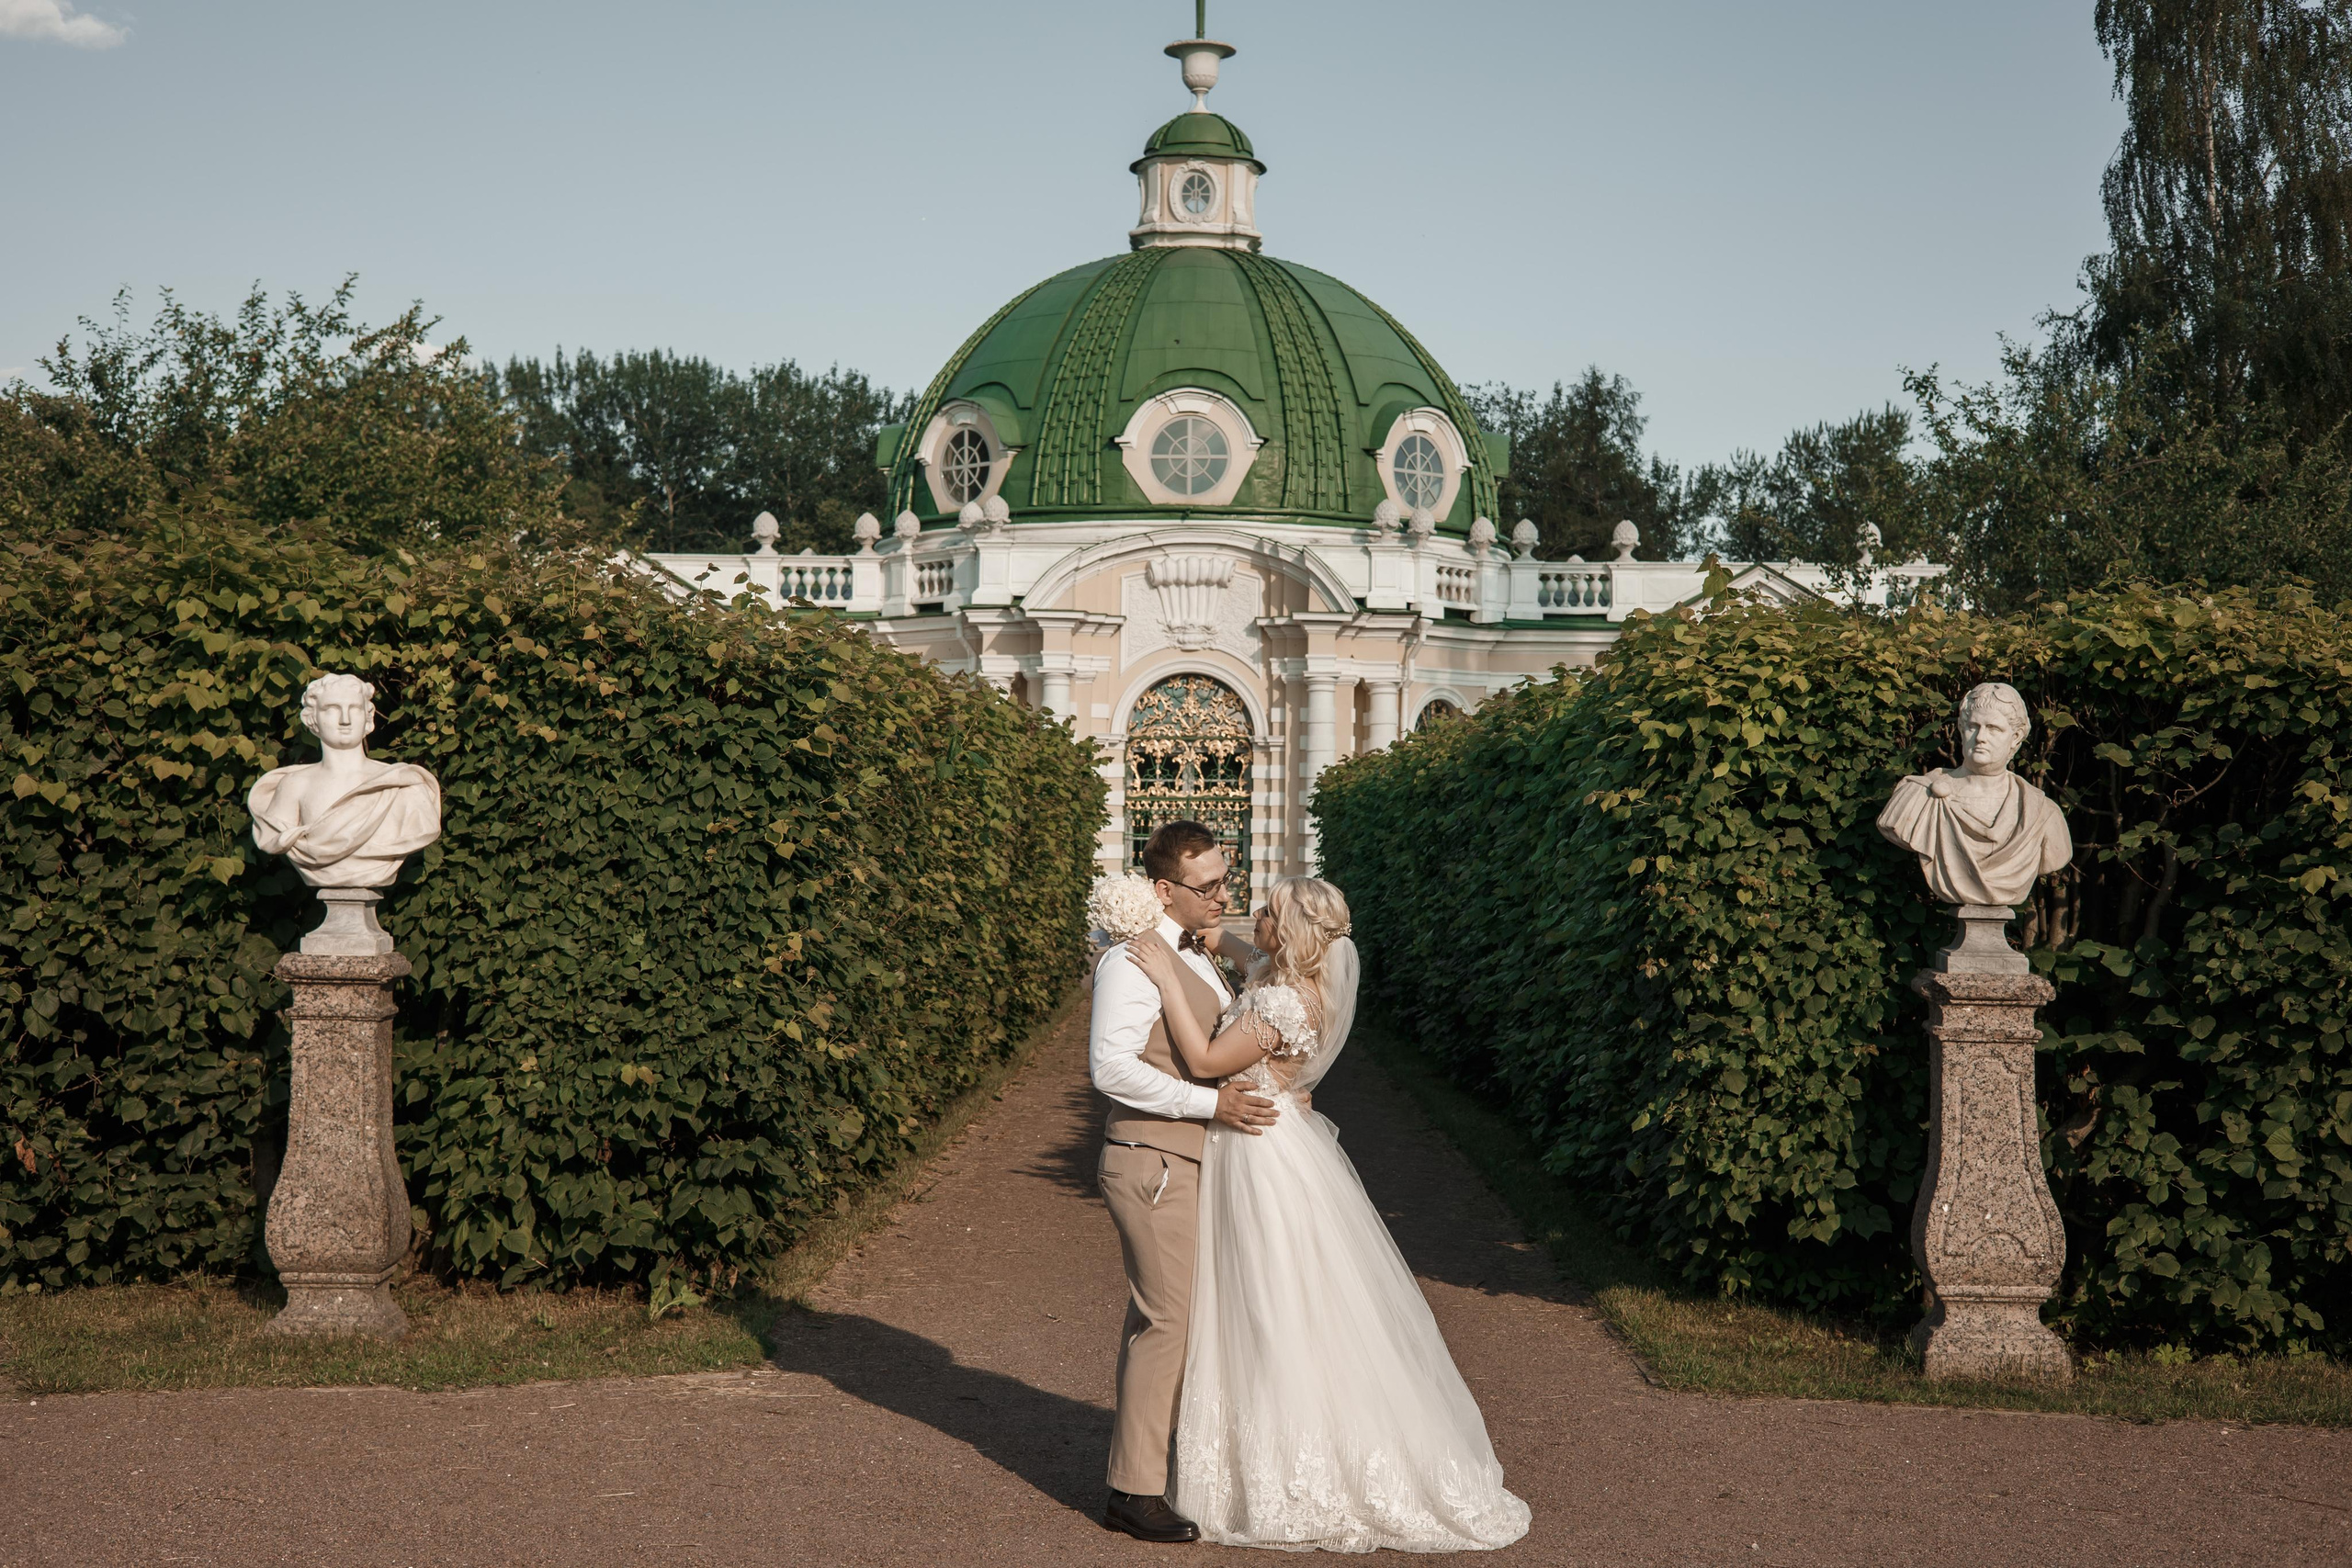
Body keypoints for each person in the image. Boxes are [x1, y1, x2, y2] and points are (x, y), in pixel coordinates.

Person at [1126, 876, 1531, 1552]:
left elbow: (1203, 1058)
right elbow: (1241, 958)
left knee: (1268, 1300)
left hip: (1257, 1158)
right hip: (1274, 1142)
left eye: (1265, 912)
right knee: (1289, 1299)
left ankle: (1289, 1466)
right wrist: (1210, 936)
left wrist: (1166, 973)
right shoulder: (1288, 982)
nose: (1252, 915)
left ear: (1286, 934)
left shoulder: (1283, 1000)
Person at [1088, 820, 1282, 1545]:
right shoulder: (1134, 963)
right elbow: (1111, 1068)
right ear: (1164, 889)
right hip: (1153, 1159)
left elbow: (1269, 968)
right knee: (1166, 1319)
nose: (1223, 896)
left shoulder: (1192, 951)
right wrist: (1212, 1103)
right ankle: (1132, 1493)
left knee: (1170, 1318)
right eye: (1208, 887)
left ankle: (1153, 1464)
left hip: (1185, 1158)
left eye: (1228, 880)